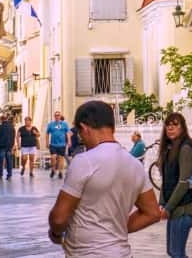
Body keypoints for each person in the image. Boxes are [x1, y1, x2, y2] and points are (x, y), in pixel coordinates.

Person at [48, 99, 164, 258]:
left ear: (84, 128)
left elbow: (59, 218)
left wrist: (55, 233)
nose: (81, 139)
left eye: (80, 134)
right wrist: (116, 229)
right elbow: (153, 213)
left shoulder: (84, 161)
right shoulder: (135, 165)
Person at [156, 113, 192, 258]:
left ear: (182, 128)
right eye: (168, 125)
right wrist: (162, 204)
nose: (170, 128)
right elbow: (166, 181)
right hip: (175, 210)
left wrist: (167, 207)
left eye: (175, 125)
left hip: (184, 209)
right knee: (173, 252)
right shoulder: (170, 148)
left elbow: (184, 182)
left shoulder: (185, 148)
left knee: (176, 253)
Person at [45, 111, 73, 178]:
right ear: (54, 116)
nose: (57, 116)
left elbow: (68, 133)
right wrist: (46, 142)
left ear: (60, 116)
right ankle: (53, 170)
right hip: (53, 144)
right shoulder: (51, 124)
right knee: (53, 157)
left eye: (58, 115)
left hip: (62, 144)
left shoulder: (64, 124)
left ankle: (60, 172)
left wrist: (69, 141)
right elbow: (47, 133)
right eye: (56, 115)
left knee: (61, 159)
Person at [0, 114, 18, 181]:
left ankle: (0, 175)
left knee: (0, 161)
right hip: (9, 146)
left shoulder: (0, 127)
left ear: (1, 119)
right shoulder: (12, 127)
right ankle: (9, 175)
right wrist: (12, 145)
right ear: (7, 119)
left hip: (1, 146)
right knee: (9, 161)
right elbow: (13, 136)